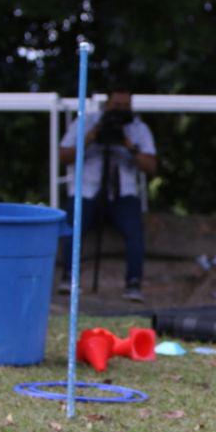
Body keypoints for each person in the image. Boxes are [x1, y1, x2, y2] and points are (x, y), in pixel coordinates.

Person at [59, 82, 158, 302]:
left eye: (126, 105)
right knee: (72, 228)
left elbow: (151, 166)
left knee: (135, 233)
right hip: (86, 190)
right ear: (107, 104)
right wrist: (91, 137)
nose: (121, 110)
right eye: (116, 105)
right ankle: (68, 278)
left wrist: (127, 145)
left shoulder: (138, 129)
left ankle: (133, 284)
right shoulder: (86, 122)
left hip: (123, 193)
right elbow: (63, 157)